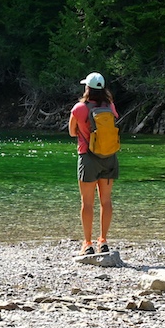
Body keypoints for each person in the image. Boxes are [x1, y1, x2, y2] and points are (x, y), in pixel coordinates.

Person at [67, 72, 119, 256]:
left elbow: (72, 132)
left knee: (87, 203)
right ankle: (103, 241)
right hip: (109, 157)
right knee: (106, 201)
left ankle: (88, 244)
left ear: (87, 88)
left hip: (88, 158)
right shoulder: (109, 106)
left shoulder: (79, 108)